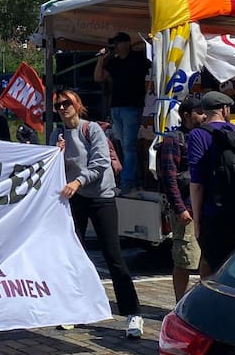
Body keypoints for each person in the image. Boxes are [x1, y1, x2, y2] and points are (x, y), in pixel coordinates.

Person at [51, 89, 143, 338]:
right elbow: (51, 167)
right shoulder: (57, 134)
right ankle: (74, 309)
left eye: (67, 103)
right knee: (74, 255)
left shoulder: (91, 129)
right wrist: (56, 154)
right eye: (58, 105)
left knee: (113, 255)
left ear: (77, 104)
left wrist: (78, 181)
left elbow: (101, 161)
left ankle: (133, 313)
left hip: (101, 197)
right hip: (75, 199)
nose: (63, 108)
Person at [189, 91, 235, 277]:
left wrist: (197, 222)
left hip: (214, 214)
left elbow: (197, 183)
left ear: (204, 112)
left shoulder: (198, 134)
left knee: (213, 268)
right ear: (224, 110)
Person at [156, 95, 205, 302]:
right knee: (184, 259)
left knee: (205, 259)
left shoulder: (204, 136)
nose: (204, 116)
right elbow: (169, 178)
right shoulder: (173, 140)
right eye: (199, 112)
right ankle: (179, 304)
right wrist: (180, 208)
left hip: (205, 207)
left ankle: (200, 303)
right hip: (186, 208)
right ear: (186, 115)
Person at [93, 32, 151, 192]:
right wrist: (101, 59)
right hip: (116, 108)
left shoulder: (138, 58)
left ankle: (127, 182)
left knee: (128, 146)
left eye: (118, 43)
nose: (115, 47)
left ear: (126, 43)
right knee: (123, 144)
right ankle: (135, 180)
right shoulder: (114, 62)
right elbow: (98, 77)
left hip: (132, 107)